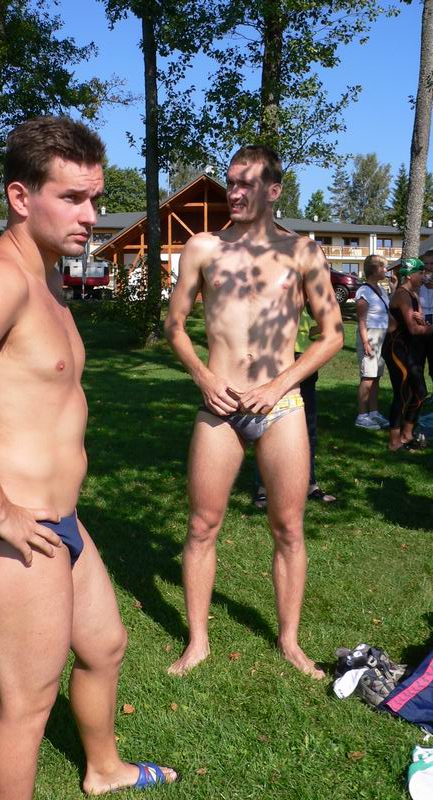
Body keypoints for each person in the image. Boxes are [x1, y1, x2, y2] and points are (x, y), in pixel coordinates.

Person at [0, 117, 177, 799]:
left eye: (95, 197)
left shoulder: (45, 278)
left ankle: (103, 769)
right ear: (21, 198)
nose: (91, 215)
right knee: (24, 708)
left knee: (105, 647)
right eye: (72, 198)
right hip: (17, 528)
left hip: (62, 520)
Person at [164, 145, 343, 679]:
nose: (234, 192)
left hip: (280, 405)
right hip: (218, 405)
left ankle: (290, 641)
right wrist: (204, 376)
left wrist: (281, 382)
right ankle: (197, 641)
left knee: (288, 527)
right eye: (231, 182)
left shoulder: (303, 252)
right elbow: (175, 326)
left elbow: (332, 335)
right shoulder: (203, 248)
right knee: (202, 525)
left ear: (274, 190)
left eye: (246, 184)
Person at [253, 305, 336, 508]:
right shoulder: (273, 300)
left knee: (308, 428)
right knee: (269, 427)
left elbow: (313, 332)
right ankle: (264, 488)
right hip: (277, 364)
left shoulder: (306, 303)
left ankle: (310, 484)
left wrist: (319, 330)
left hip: (304, 365)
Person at [382, 258, 433, 451]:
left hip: (409, 349)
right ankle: (394, 441)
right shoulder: (402, 295)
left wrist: (423, 322)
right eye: (420, 273)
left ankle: (407, 434)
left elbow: (420, 324)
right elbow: (413, 329)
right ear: (410, 275)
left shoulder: (413, 294)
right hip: (396, 348)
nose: (424, 276)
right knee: (402, 392)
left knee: (420, 391)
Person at [354, 254, 390, 430]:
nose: (386, 270)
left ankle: (374, 413)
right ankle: (362, 416)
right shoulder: (364, 291)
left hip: (382, 336)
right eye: (383, 267)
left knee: (376, 377)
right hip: (369, 336)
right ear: (374, 270)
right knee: (368, 377)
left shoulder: (381, 290)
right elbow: (361, 320)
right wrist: (365, 342)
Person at [418, 249, 433, 391]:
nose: (428, 267)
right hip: (420, 319)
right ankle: (420, 394)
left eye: (431, 263)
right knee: (418, 361)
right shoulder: (418, 279)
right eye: (426, 264)